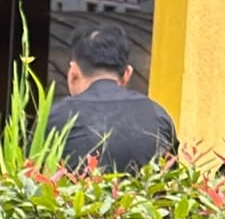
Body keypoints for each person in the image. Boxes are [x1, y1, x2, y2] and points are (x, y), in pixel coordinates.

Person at [50, 23, 179, 171]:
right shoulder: (158, 115)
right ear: (127, 74)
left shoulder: (57, 117)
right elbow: (172, 178)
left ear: (73, 73)